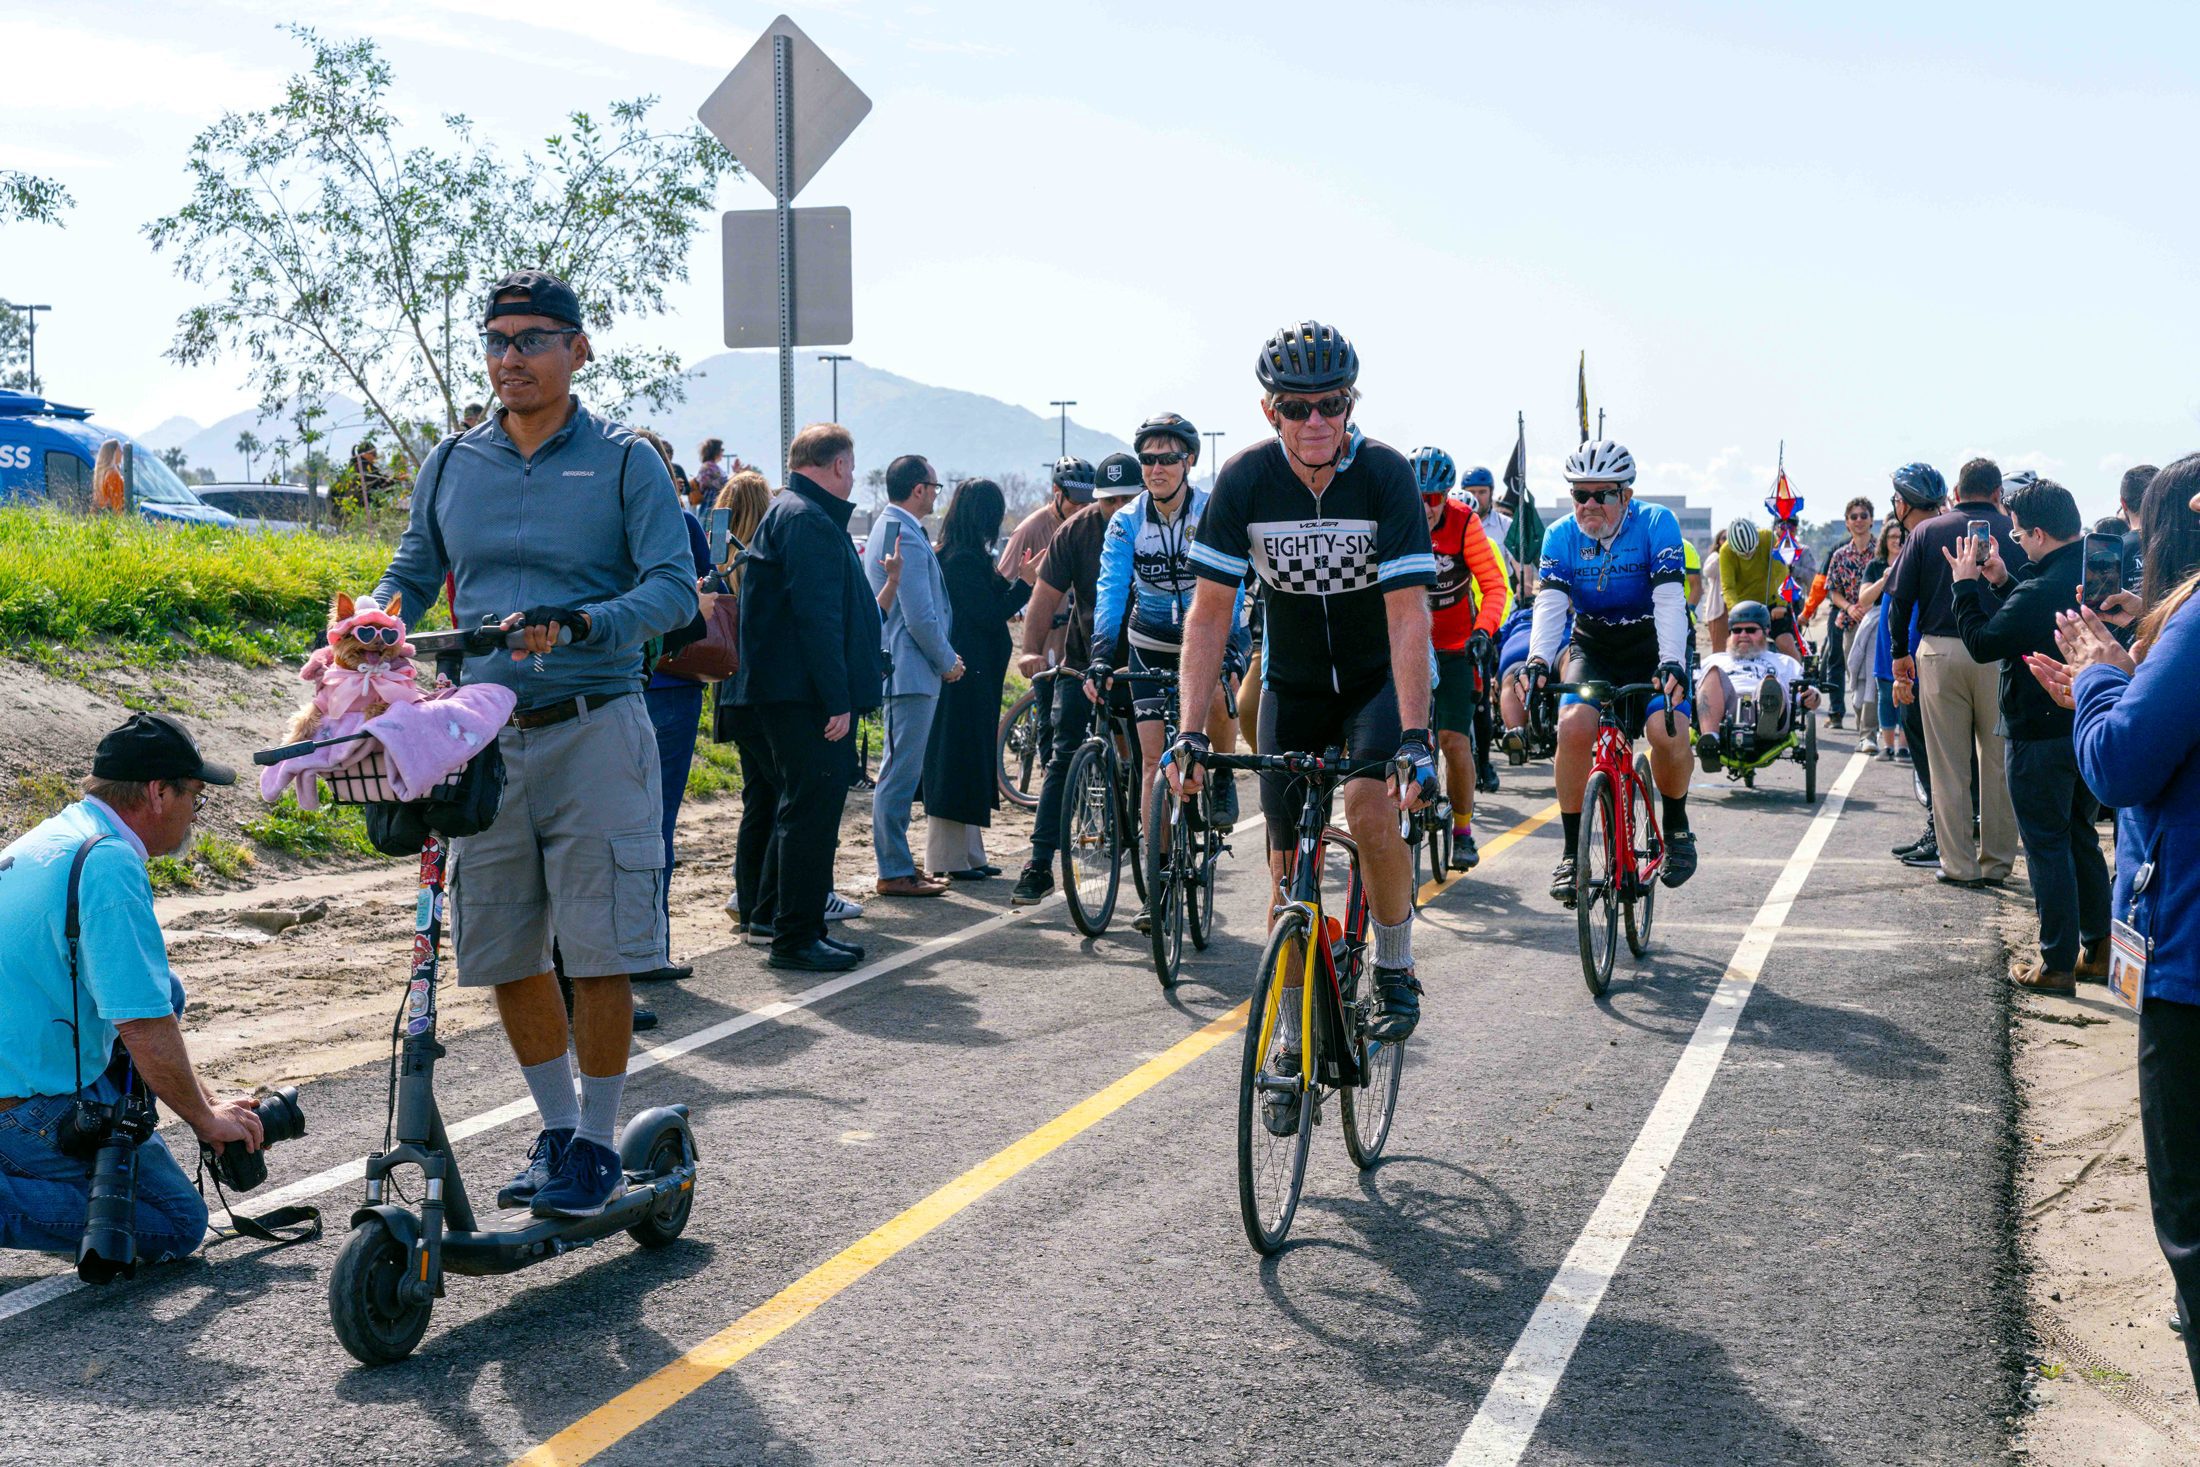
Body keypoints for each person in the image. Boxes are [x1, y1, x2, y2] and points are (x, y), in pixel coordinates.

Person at [371, 269, 698, 1219]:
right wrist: (365, 625)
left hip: (596, 729)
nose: (509, 357)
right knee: (507, 946)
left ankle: (599, 1142)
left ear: (577, 351)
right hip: (477, 737)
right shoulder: (451, 462)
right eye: (497, 340)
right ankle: (557, 1131)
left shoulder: (629, 462)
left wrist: (586, 623)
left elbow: (674, 591)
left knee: (597, 951)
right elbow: (412, 572)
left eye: (532, 339)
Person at [1171, 320, 1438, 1047]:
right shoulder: (1245, 482)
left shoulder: (1384, 476)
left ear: (1351, 404)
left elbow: (1409, 616)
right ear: (1270, 411)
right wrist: (1191, 731)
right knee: (1286, 872)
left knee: (1370, 808)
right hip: (1290, 685)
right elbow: (1208, 617)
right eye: (1296, 406)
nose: (1315, 420)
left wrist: (1415, 736)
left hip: (1372, 683)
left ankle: (1393, 963)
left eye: (1330, 403)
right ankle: (1289, 1040)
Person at [2033, 453, 2200, 1402]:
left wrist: (2101, 684)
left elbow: (2123, 763)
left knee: (2190, 1219)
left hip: (2189, 966)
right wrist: (2124, 678)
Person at [0, 714, 265, 1263]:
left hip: (23, 1058)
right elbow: (141, 1024)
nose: (198, 810)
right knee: (173, 1224)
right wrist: (205, 1117)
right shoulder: (109, 864)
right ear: (157, 792)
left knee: (165, 989)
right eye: (195, 794)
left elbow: (148, 1001)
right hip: (18, 1103)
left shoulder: (62, 833)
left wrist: (205, 1099)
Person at [730, 422, 884, 971]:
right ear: (840, 465)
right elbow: (817, 618)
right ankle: (795, 937)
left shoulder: (790, 510)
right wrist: (837, 699)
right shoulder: (808, 519)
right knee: (811, 813)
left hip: (788, 693)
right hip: (804, 698)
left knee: (803, 809)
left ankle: (799, 926)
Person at [1945, 476, 2107, 979]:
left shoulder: (2039, 587)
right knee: (2081, 835)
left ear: (2037, 534)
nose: (2015, 544)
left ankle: (2055, 962)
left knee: (2045, 844)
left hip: (2038, 734)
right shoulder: (2093, 575)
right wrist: (2000, 581)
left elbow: (1984, 641)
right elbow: (2036, 619)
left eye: (2016, 536)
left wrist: (1965, 586)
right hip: (2085, 726)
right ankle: (2098, 952)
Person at [1089, 414, 1248, 920]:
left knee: (1222, 693)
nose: (1156, 468)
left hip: (1205, 636)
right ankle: (1157, 881)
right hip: (1149, 643)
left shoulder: (1211, 511)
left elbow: (1235, 584)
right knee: (1153, 762)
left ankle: (1220, 774)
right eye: (1148, 459)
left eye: (1167, 458)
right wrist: (1099, 652)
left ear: (1189, 462)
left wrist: (1235, 642)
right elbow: (1111, 589)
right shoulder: (1126, 520)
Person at [1525, 439, 1696, 904]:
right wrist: (1539, 659)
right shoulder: (1560, 535)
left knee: (1668, 729)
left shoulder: (1657, 524)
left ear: (1626, 493)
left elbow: (1668, 601)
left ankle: (1677, 827)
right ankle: (1570, 852)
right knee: (1573, 726)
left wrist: (1671, 663)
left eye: (1603, 493)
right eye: (1581, 494)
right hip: (1594, 646)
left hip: (1652, 645)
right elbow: (1551, 604)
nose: (1591, 504)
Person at [1008, 458, 1144, 905]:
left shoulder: (1158, 528)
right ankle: (1038, 863)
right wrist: (1029, 651)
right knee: (1062, 758)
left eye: (1129, 499)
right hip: (1085, 658)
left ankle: (1158, 852)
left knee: (1148, 758)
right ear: (1097, 500)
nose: (1120, 507)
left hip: (1144, 660)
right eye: (1111, 501)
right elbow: (1044, 594)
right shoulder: (1077, 531)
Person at [1891, 457, 2027, 887]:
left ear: (1954, 494)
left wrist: (1899, 652)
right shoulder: (2014, 530)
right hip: (1999, 652)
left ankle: (1958, 864)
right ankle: (1997, 864)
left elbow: (1900, 600)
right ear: (1997, 493)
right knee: (1997, 763)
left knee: (1947, 765)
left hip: (1939, 652)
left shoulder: (1928, 531)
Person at [627, 428, 716, 986]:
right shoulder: (679, 525)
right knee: (657, 820)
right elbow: (696, 600)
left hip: (609, 685)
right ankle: (649, 944)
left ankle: (616, 947)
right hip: (671, 685)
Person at [862, 455, 962, 898]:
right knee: (899, 773)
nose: (936, 496)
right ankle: (895, 870)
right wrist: (947, 660)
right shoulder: (903, 532)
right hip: (909, 670)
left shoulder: (893, 527)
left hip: (904, 668)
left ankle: (901, 864)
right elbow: (920, 616)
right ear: (919, 488)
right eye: (935, 487)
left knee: (900, 770)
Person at [923, 479, 1031, 879]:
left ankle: (970, 853)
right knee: (958, 759)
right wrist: (1026, 585)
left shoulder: (962, 556)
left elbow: (993, 597)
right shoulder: (961, 561)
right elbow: (989, 612)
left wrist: (1018, 580)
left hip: (973, 675)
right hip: (964, 674)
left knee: (968, 759)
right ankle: (947, 858)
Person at [1413, 446, 1506, 870]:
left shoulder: (1464, 521)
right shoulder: (1395, 517)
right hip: (1409, 646)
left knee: (1453, 740)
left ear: (1446, 495)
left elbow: (1493, 585)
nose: (1426, 507)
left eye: (1434, 498)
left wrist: (1483, 631)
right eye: (1419, 497)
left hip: (1454, 647)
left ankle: (1464, 831)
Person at [1693, 600, 1819, 766]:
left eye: (1751, 630)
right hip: (1723, 712)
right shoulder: (1714, 660)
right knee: (1711, 674)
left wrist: (1812, 696)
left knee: (1770, 682)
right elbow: (1691, 689)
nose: (1743, 635)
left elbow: (1806, 693)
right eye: (1737, 630)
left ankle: (1766, 725)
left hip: (1767, 708)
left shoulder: (1784, 661)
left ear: (1766, 631)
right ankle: (1711, 740)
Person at [1719, 505, 1815, 660]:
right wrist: (1735, 610)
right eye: (1742, 554)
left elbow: (1781, 572)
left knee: (1786, 643)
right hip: (1744, 605)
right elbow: (1728, 587)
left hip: (1772, 602)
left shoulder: (1769, 538)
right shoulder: (1725, 552)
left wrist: (1780, 604)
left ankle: (1799, 676)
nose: (1748, 555)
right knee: (1738, 646)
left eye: (1751, 551)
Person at [1849, 516, 1908, 758]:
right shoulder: (1876, 565)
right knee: (1883, 685)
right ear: (1885, 540)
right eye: (1893, 537)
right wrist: (1884, 580)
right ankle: (1885, 743)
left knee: (1908, 684)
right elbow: (1864, 599)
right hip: (1881, 628)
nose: (1897, 541)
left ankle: (1904, 744)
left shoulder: (1914, 561)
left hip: (1909, 625)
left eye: (1901, 537)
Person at [1822, 496, 1879, 729]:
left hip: (1877, 620)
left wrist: (1868, 606)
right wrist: (1850, 607)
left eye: (1863, 516)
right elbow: (1832, 591)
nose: (1859, 520)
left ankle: (1874, 727)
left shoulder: (1883, 552)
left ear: (1871, 520)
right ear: (1847, 522)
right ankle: (1860, 723)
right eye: (1853, 517)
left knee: (1876, 677)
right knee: (1854, 675)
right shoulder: (1840, 555)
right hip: (1850, 622)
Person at [1701, 527, 1730, 652]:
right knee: (1719, 647)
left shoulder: (1737, 556)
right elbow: (1708, 572)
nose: (1727, 541)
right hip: (1719, 605)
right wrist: (1721, 555)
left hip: (1733, 604)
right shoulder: (1715, 556)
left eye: (1729, 538)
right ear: (1718, 541)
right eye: (1724, 538)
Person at [92, 439, 126, 514]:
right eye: (119, 450)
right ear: (113, 453)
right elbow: (117, 505)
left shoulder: (101, 474)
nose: (122, 453)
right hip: (113, 520)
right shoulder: (113, 474)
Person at [694, 437, 730, 507]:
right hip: (711, 505)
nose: (723, 452)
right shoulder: (710, 467)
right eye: (722, 449)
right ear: (715, 451)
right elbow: (723, 484)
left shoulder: (708, 466)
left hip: (708, 505)